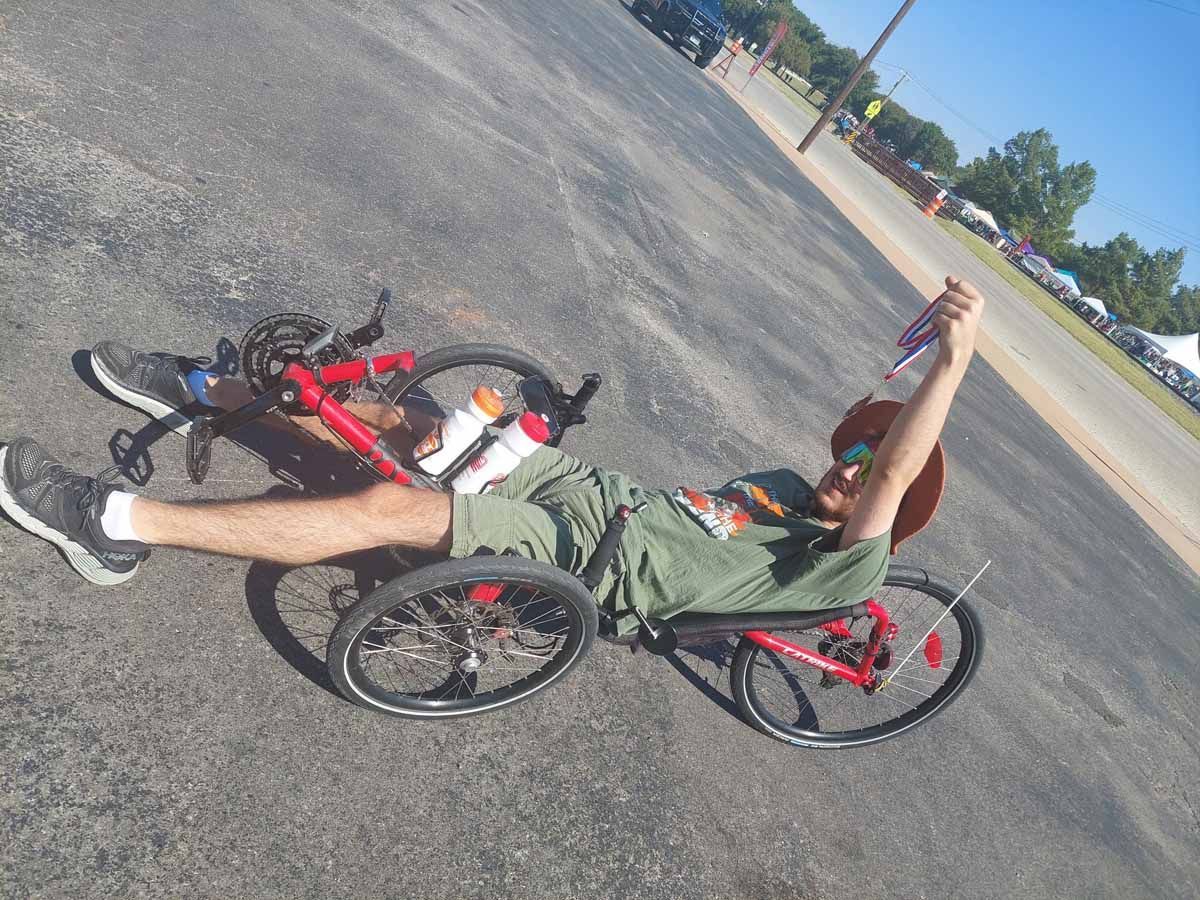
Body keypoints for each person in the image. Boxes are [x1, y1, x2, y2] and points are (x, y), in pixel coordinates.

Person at [0, 277, 985, 626]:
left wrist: (951, 363)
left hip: (591, 558)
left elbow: (894, 478)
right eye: (858, 451)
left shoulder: (845, 571)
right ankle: (205, 388)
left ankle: (110, 525)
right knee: (419, 427)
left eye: (871, 469)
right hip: (593, 491)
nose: (855, 466)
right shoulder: (778, 489)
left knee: (397, 511)